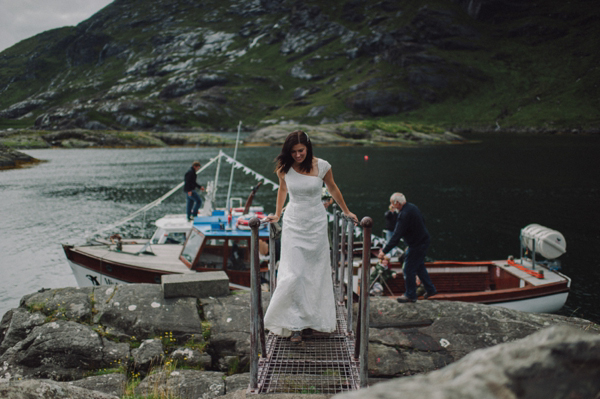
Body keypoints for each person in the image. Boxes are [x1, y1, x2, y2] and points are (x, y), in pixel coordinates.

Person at [264, 130, 357, 343]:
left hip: (316, 222)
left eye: (301, 151)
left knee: (314, 273)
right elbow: (282, 190)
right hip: (294, 222)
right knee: (294, 273)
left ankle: (309, 321)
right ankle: (294, 324)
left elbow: (332, 188)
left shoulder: (322, 166)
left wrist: (346, 211)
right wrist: (277, 214)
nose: (297, 155)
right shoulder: (284, 168)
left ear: (308, 147)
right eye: (294, 152)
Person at [378, 192, 436, 303]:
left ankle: (410, 295)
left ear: (397, 203)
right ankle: (430, 289)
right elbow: (422, 221)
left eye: (392, 203)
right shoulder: (412, 207)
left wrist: (384, 251)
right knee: (419, 266)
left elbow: (396, 236)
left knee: (408, 268)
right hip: (423, 240)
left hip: (417, 244)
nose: (391, 206)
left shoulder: (404, 215)